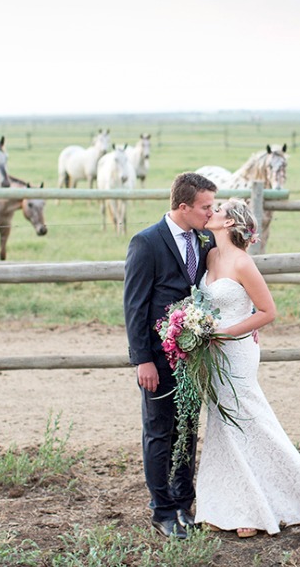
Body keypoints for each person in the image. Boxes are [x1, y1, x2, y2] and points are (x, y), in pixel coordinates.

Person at [194, 199, 300, 538]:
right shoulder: (210, 255)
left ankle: (278, 502)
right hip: (212, 352)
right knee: (222, 424)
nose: (211, 211)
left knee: (250, 421)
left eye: (218, 209)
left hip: (236, 351)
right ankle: (226, 504)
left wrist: (224, 332)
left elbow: (267, 311)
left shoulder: (243, 263)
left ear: (230, 223)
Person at [124, 172, 218, 540]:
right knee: (159, 431)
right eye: (205, 207)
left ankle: (183, 504)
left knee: (188, 430)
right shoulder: (146, 242)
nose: (211, 213)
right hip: (158, 359)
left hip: (194, 358)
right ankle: (161, 510)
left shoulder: (206, 238)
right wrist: (141, 359)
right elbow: (134, 306)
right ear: (183, 207)